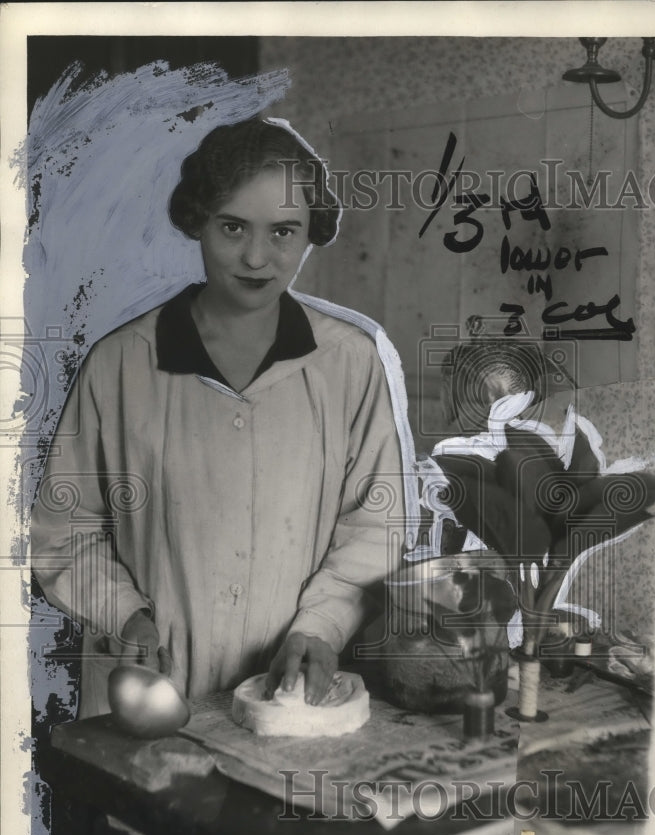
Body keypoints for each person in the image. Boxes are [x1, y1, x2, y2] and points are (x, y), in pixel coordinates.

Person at [31, 117, 410, 716]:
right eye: (233, 226)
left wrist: (320, 627)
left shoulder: (349, 363)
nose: (257, 256)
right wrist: (123, 614)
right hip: (153, 694)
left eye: (283, 231)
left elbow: (375, 525)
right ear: (197, 221)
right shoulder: (120, 364)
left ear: (312, 231)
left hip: (290, 697)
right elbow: (61, 527)